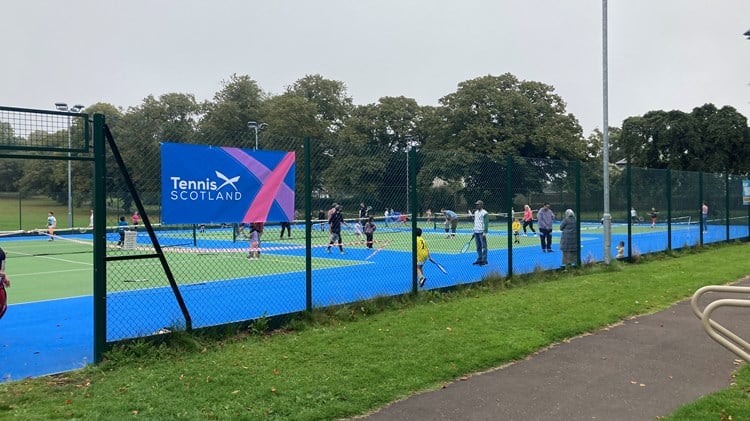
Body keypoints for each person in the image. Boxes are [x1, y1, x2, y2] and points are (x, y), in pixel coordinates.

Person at [472, 200, 489, 266]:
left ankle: (484, 260)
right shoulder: (476, 212)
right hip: (476, 231)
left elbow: (486, 222)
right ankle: (479, 259)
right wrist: (474, 231)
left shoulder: (485, 213)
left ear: (481, 205)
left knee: (484, 247)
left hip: (482, 232)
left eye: (478, 204)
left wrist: (485, 231)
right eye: (476, 204)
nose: (477, 205)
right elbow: (475, 222)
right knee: (478, 247)